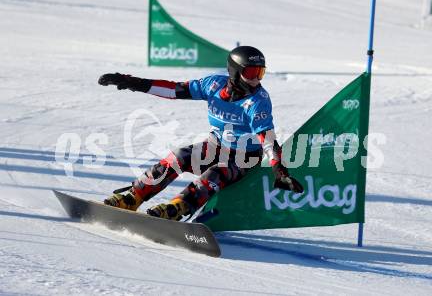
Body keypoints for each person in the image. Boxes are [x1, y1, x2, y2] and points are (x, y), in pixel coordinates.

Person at [98, 46, 303, 220]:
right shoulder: (213, 85)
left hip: (244, 159)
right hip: (215, 147)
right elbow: (173, 90)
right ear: (234, 71)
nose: (256, 80)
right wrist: (133, 82)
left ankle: (176, 208)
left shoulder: (258, 101)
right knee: (179, 156)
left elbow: (267, 140)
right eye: (251, 73)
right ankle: (134, 197)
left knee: (216, 172)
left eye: (261, 73)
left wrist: (280, 171)